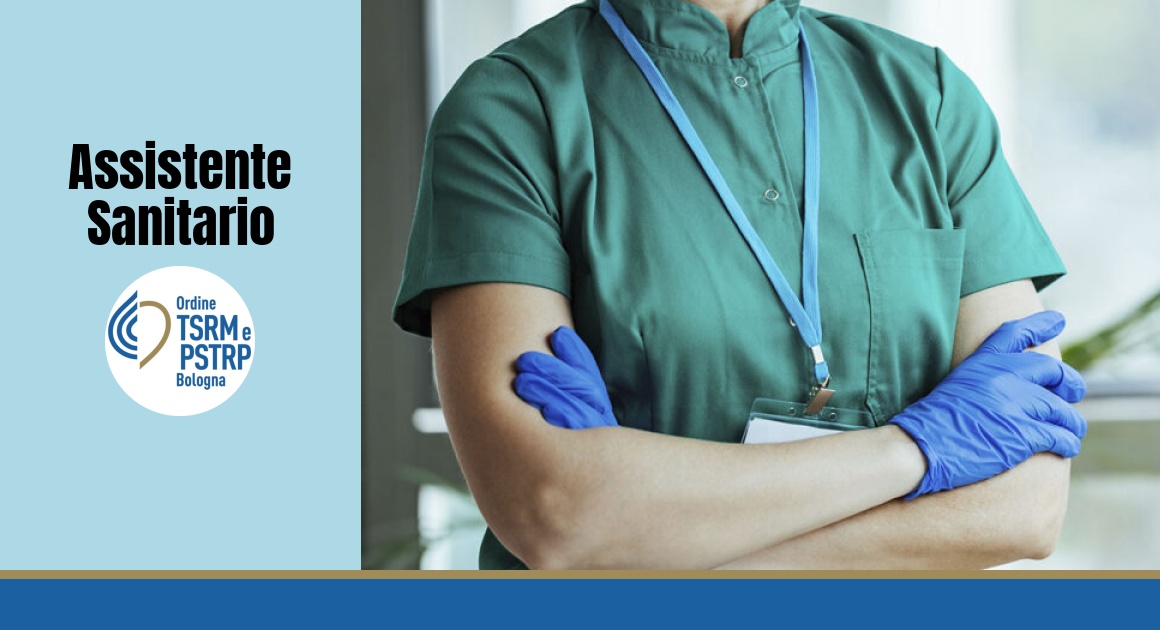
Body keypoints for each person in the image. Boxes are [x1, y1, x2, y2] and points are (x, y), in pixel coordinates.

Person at [393, 0, 1087, 570]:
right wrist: (916, 449)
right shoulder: (512, 112)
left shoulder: (928, 99)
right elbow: (554, 511)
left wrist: (639, 541)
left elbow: (1023, 509)